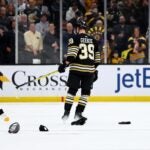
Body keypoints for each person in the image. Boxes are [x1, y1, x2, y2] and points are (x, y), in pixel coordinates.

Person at [58, 19, 100, 125]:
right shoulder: (94, 40)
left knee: (72, 91)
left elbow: (72, 56)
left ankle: (66, 113)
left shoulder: (74, 38)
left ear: (77, 28)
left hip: (76, 69)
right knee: (85, 93)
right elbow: (97, 60)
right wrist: (93, 70)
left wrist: (64, 65)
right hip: (89, 71)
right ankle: (78, 113)